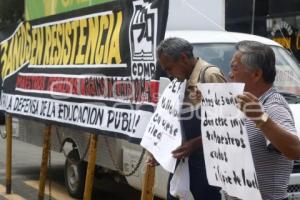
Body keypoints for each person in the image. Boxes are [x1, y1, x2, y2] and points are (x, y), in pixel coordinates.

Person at [147, 37, 226, 200]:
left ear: (183, 58)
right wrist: (160, 150)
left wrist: (196, 143)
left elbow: (226, 125)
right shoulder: (178, 80)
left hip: (204, 165)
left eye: (169, 69)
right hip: (182, 163)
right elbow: (170, 120)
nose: (168, 75)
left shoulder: (210, 76)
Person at [227, 40, 300, 200]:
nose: (230, 74)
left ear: (256, 74)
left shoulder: (272, 105)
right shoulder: (244, 101)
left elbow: (295, 150)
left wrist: (261, 119)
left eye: (234, 68)